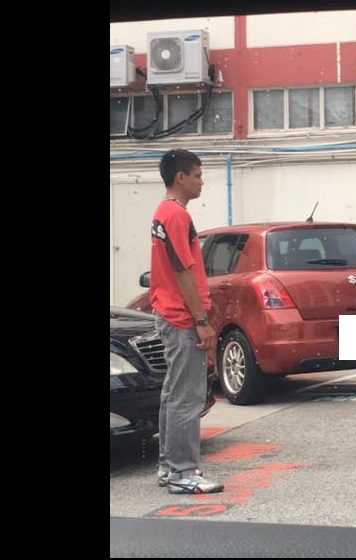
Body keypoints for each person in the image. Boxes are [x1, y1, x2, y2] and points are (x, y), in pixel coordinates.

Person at [150, 149, 224, 493]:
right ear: (180, 178)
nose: (201, 181)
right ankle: (183, 472)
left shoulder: (164, 212)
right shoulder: (176, 216)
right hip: (181, 318)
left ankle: (169, 466)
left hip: (168, 313)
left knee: (173, 394)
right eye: (197, 175)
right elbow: (183, 270)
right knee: (187, 397)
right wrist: (201, 320)